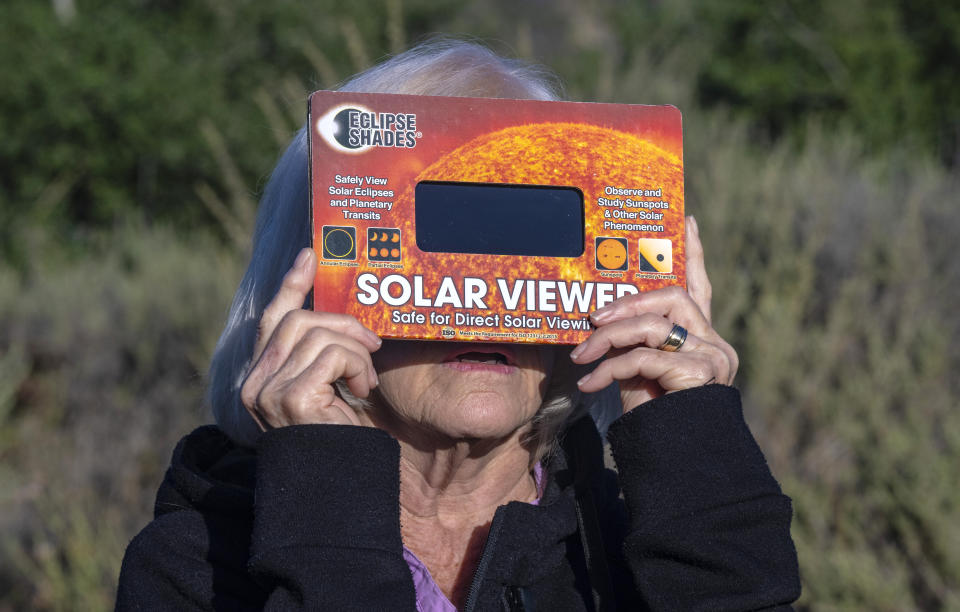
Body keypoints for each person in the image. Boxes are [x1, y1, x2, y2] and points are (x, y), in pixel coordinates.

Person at [116, 39, 800, 611]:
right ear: (305, 282)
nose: (485, 297)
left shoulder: (641, 546)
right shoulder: (199, 566)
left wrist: (695, 457)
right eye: (435, 239)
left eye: (537, 238)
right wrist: (324, 511)